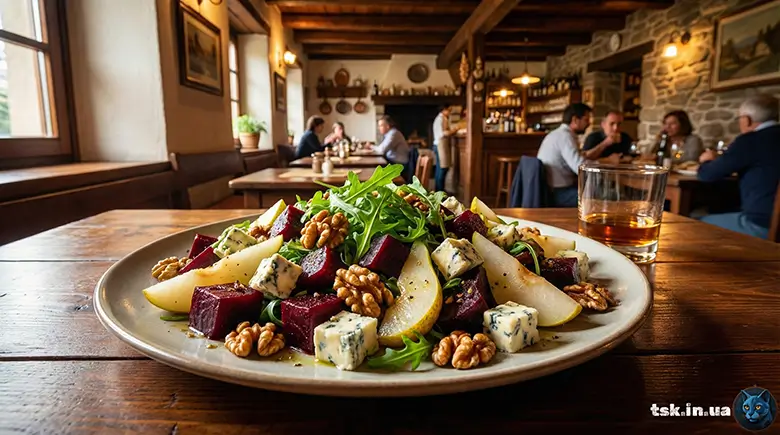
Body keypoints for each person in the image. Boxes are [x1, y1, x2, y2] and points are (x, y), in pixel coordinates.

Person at [696, 94, 780, 240]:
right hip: (772, 220)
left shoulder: (750, 141)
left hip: (763, 225)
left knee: (693, 223)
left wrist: (706, 160)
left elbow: (706, 175)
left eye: (739, 118)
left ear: (746, 120)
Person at [537, 103, 620, 207]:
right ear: (575, 120)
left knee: (601, 192)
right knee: (602, 197)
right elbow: (580, 167)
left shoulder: (559, 134)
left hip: (554, 189)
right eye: (586, 119)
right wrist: (608, 161)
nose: (589, 123)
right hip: (557, 193)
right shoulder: (564, 136)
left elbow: (582, 156)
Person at [432, 104, 459, 192]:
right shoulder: (440, 119)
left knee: (441, 168)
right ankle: (440, 191)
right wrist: (454, 130)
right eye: (449, 110)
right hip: (440, 145)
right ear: (444, 109)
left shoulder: (442, 118)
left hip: (441, 145)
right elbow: (443, 134)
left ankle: (439, 190)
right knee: (442, 169)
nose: (450, 112)